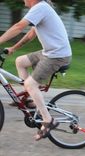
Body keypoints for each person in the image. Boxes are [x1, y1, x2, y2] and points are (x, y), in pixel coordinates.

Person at [0, 0, 72, 141]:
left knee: (30, 84)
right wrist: (14, 48)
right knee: (20, 61)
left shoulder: (40, 7)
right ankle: (31, 100)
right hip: (49, 53)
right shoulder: (40, 8)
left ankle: (48, 120)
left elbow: (19, 26)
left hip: (58, 56)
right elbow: (31, 34)